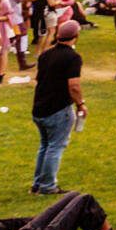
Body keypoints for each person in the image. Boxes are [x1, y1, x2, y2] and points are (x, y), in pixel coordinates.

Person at [31, 20, 86, 196]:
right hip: (58, 108)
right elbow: (74, 85)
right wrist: (80, 104)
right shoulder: (73, 57)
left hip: (40, 107)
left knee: (45, 145)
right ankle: (47, 186)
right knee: (55, 147)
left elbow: (38, 80)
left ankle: (37, 183)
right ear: (75, 36)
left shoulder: (46, 54)